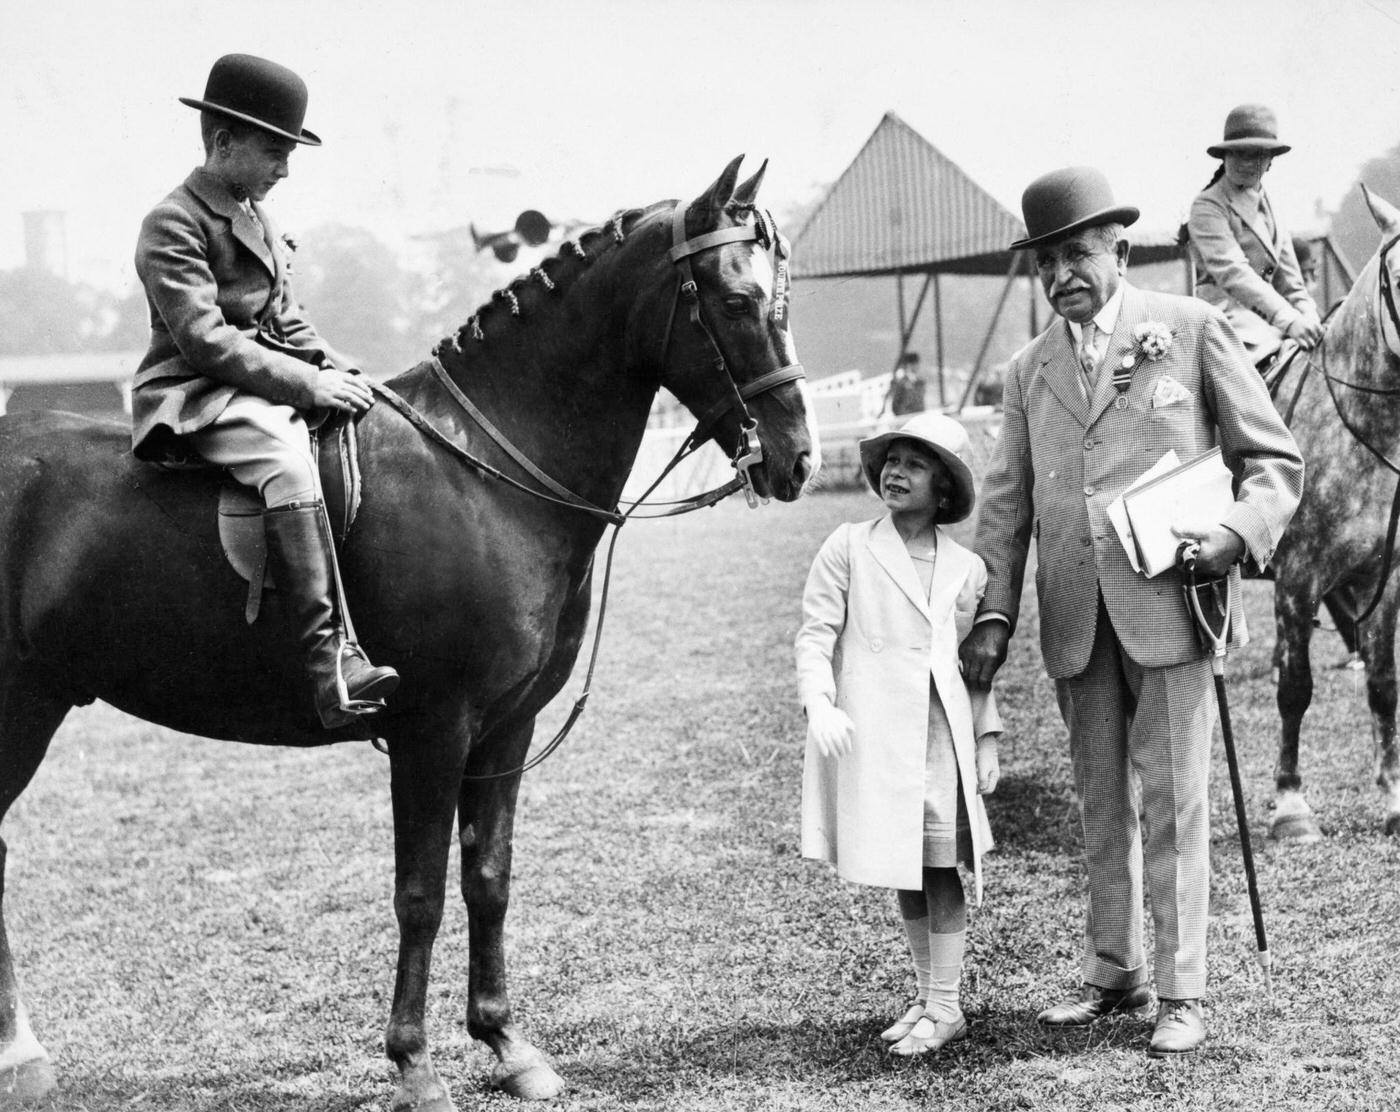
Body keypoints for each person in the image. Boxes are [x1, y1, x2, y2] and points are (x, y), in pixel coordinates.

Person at [959, 167, 1303, 1057]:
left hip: (1171, 608)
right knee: (1099, 805)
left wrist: (1235, 532)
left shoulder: (1189, 331)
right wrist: (993, 615)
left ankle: (1182, 993)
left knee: (1178, 805)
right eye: (1047, 262)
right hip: (1075, 615)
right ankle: (1115, 973)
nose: (1063, 274)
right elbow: (1005, 505)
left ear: (1119, 248)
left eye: (1077, 253)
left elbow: (1273, 461)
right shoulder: (1026, 370)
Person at [131, 53, 399, 729]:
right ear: (223, 142)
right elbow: (206, 341)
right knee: (285, 456)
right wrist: (309, 384)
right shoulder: (174, 222)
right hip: (197, 391)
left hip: (260, 380)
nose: (285, 168)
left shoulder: (255, 215)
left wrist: (345, 372)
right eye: (275, 152)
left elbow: (287, 318)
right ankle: (327, 665)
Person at [795, 412, 1002, 1057]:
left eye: (914, 463)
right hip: (877, 730)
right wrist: (820, 702)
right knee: (904, 865)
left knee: (940, 867)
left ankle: (946, 1006)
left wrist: (988, 738)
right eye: (891, 460)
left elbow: (973, 667)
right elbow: (815, 632)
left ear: (944, 488)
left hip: (941, 733)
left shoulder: (967, 568)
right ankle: (927, 994)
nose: (896, 471)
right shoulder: (850, 544)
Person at [1184, 104, 1323, 367]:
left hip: (1274, 325)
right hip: (1229, 328)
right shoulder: (1208, 206)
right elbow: (1233, 272)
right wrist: (1289, 319)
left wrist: (1309, 317)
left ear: (1271, 160)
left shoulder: (1272, 207)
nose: (1246, 163)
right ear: (1224, 156)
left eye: (1256, 155)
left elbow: (1291, 282)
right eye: (1238, 153)